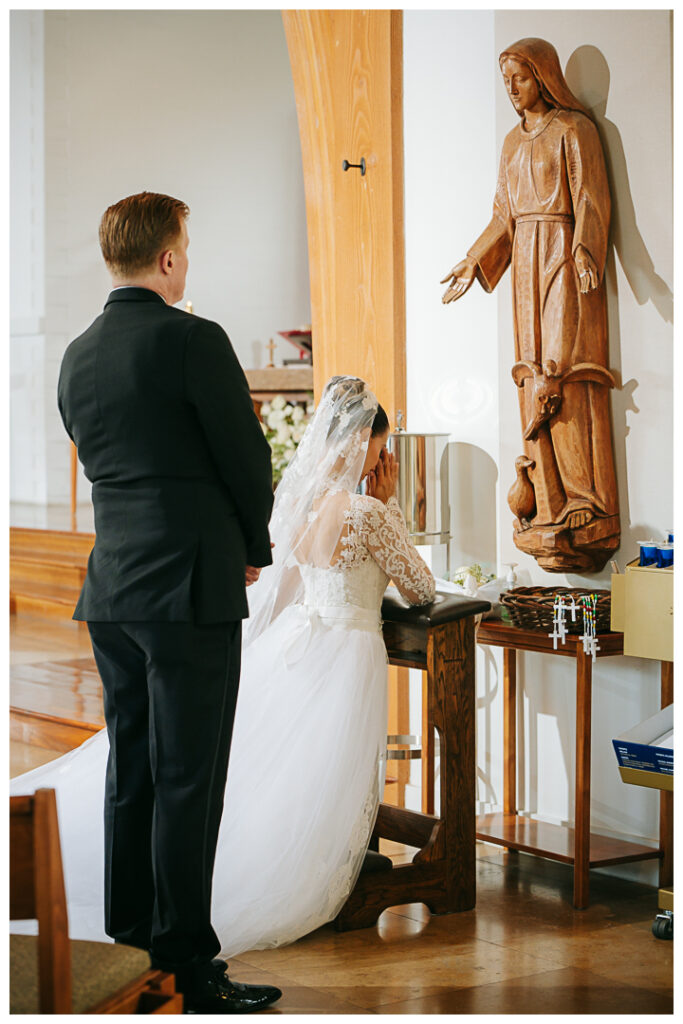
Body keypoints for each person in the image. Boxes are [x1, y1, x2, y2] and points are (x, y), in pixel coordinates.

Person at [11, 375, 435, 975]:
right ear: (364, 441)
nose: (382, 456)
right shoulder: (369, 511)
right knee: (307, 768)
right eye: (379, 443)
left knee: (270, 768)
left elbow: (293, 580)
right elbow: (422, 587)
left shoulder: (311, 506)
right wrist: (391, 505)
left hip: (299, 636)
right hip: (345, 648)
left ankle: (152, 905)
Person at [48, 191, 279, 1014]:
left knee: (134, 772)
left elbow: (93, 454)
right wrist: (253, 548)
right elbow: (245, 460)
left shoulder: (77, 353)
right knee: (190, 779)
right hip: (189, 584)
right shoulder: (192, 338)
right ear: (169, 258)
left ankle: (133, 950)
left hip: (111, 587)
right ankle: (187, 968)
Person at [440, 37, 620, 573]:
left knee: (561, 372)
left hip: (562, 253)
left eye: (519, 78)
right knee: (529, 380)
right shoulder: (512, 143)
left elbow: (590, 195)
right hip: (522, 259)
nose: (512, 90)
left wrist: (587, 248)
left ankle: (586, 498)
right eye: (506, 81)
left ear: (542, 76)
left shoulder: (574, 129)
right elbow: (503, 214)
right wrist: (474, 260)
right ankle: (548, 501)